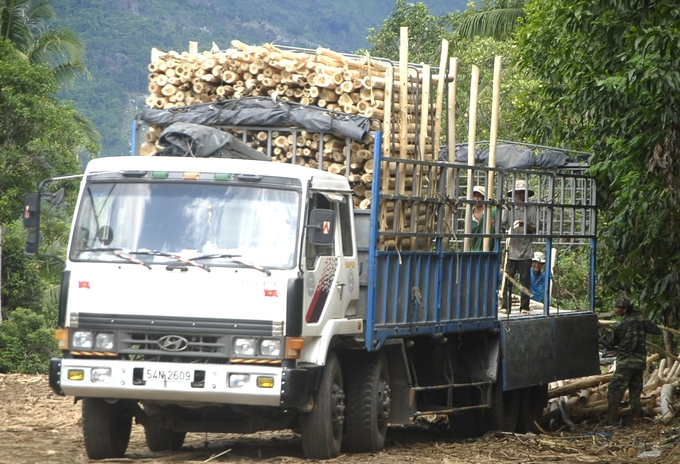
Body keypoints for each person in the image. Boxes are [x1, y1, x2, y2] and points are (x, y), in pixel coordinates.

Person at [599, 298, 662, 426]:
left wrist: (600, 329)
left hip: (625, 363)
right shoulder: (641, 321)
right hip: (639, 363)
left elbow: (610, 343)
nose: (615, 310)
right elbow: (657, 330)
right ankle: (634, 421)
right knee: (635, 393)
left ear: (624, 309)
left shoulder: (619, 325)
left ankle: (612, 420)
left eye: (617, 308)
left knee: (614, 391)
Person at [500, 179, 537, 315]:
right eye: (518, 193)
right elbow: (503, 225)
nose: (520, 196)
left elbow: (536, 228)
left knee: (525, 281)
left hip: (526, 250)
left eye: (522, 193)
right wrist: (500, 227)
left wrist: (526, 225)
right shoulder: (509, 208)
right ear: (514, 194)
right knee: (508, 279)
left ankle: (524, 307)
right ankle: (505, 306)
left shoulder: (532, 208)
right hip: (511, 249)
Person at [470, 186, 496, 252]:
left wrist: (496, 225)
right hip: (472, 254)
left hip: (490, 252)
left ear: (484, 198)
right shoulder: (469, 214)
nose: (477, 198)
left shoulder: (492, 212)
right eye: (474, 196)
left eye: (480, 196)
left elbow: (501, 230)